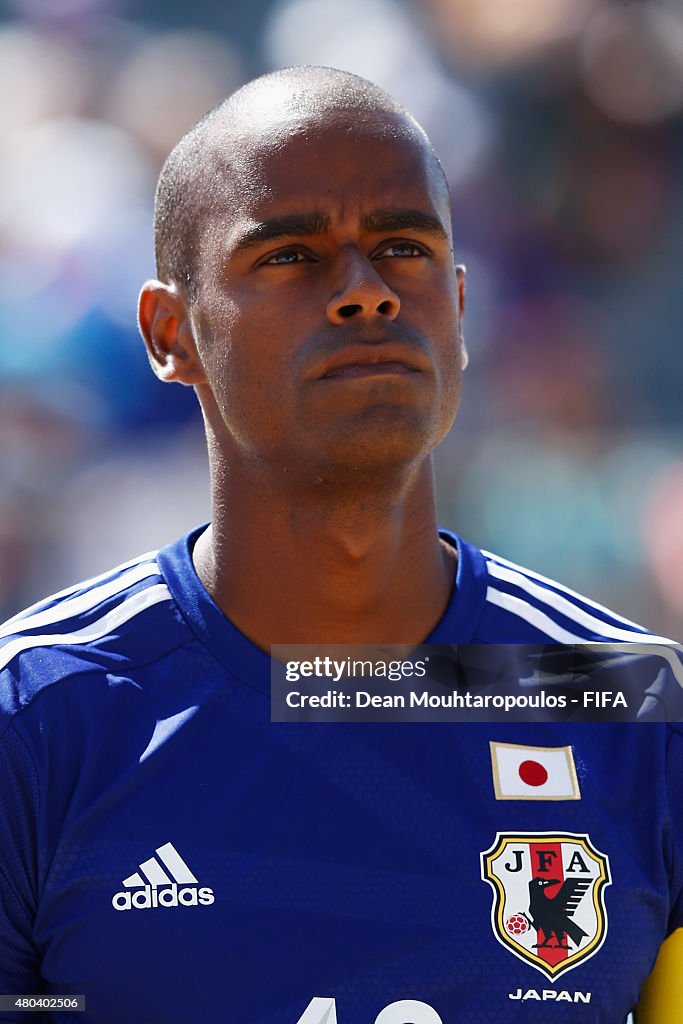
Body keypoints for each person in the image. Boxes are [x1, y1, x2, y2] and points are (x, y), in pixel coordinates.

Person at [0, 66, 681, 1024]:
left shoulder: (638, 712)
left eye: (401, 247)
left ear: (457, 304)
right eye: (290, 256)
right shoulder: (38, 719)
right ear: (169, 332)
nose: (364, 292)